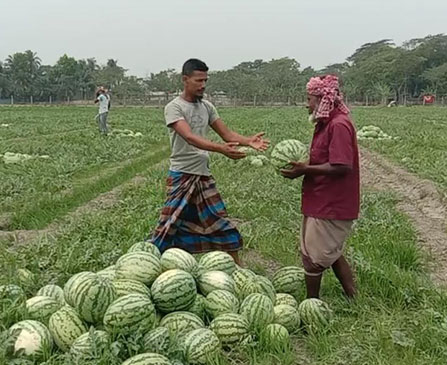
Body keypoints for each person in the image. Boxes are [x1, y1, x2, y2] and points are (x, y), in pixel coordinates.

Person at [149, 58, 269, 265]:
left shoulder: (207, 106)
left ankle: (240, 273)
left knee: (221, 224)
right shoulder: (174, 107)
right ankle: (150, 266)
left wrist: (248, 141)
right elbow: (190, 137)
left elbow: (227, 134)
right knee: (169, 227)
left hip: (203, 177)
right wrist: (221, 150)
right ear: (185, 79)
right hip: (181, 174)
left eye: (205, 80)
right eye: (198, 80)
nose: (203, 85)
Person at [280, 74, 360, 300]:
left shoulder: (339, 125)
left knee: (313, 258)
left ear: (321, 99)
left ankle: (311, 304)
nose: (307, 104)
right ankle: (353, 297)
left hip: (332, 201)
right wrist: (306, 167)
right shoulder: (327, 123)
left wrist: (305, 170)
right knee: (332, 252)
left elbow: (342, 166)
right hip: (320, 197)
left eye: (309, 99)